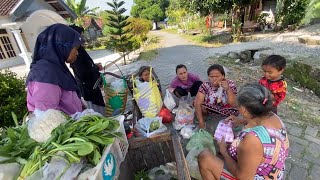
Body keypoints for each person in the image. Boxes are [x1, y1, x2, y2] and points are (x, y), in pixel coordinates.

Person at [198, 83, 290, 180]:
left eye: (238, 106)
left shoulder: (253, 139)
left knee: (205, 157)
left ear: (244, 110)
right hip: (271, 170)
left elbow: (243, 177)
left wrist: (224, 151)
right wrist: (241, 120)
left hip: (254, 176)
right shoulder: (273, 117)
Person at [26, 23, 83, 115]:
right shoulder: (46, 73)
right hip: (63, 128)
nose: (77, 53)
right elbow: (47, 116)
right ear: (63, 46)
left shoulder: (56, 68)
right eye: (75, 48)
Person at [69, 25, 105, 116]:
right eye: (80, 36)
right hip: (88, 88)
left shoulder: (80, 49)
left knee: (99, 110)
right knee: (97, 114)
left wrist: (94, 66)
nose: (82, 38)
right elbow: (83, 72)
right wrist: (95, 68)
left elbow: (85, 65)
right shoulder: (76, 52)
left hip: (92, 86)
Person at [195, 64, 238, 129]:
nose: (214, 79)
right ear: (208, 77)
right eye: (211, 76)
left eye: (217, 76)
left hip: (226, 110)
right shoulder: (205, 85)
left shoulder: (230, 84)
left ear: (223, 76)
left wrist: (228, 89)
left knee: (236, 109)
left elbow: (233, 104)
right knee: (198, 103)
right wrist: (201, 121)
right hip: (211, 109)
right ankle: (206, 117)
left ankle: (228, 120)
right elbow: (198, 102)